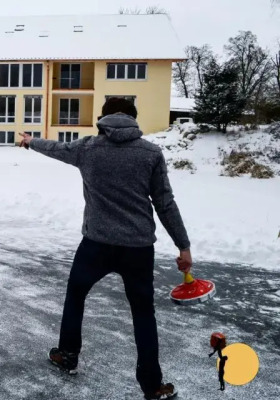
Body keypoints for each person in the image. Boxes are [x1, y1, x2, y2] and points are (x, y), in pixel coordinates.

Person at [19, 97, 190, 400]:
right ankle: (152, 386)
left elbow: (56, 148)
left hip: (96, 245)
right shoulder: (150, 153)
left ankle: (68, 355)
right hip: (138, 248)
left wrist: (31, 141)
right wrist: (183, 245)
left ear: (103, 119)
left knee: (76, 295)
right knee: (143, 314)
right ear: (134, 119)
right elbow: (165, 203)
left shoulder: (88, 147)